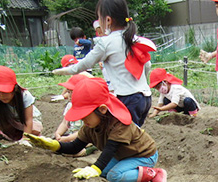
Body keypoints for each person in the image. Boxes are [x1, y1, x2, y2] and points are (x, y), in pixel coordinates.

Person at [25, 77, 167, 182]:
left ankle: (153, 174)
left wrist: (95, 168)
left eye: (85, 115)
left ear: (102, 109)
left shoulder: (119, 124)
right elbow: (75, 146)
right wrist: (54, 145)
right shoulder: (89, 126)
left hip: (143, 155)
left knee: (113, 176)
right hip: (123, 156)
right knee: (104, 172)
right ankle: (133, 174)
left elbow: (109, 150)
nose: (83, 120)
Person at [52, 0, 156, 128]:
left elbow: (84, 64)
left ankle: (150, 149)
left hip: (127, 98)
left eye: (99, 18)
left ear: (107, 20)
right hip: (145, 98)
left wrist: (65, 70)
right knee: (135, 135)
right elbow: (147, 65)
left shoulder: (106, 43)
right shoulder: (134, 38)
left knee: (123, 138)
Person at [0, 66, 42, 145]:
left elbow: (28, 120)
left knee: (34, 129)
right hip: (10, 120)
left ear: (15, 88)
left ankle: (23, 137)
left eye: (5, 92)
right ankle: (12, 136)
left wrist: (25, 139)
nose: (1, 96)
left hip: (29, 121)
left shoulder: (24, 95)